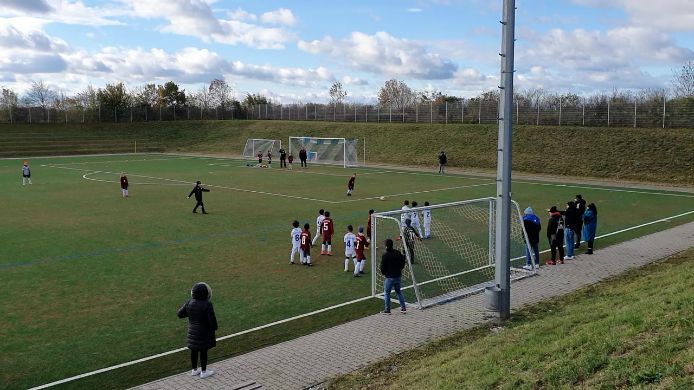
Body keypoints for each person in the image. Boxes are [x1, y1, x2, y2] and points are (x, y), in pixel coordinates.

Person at [177, 282, 218, 379]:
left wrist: (191, 313)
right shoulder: (207, 304)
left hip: (192, 332)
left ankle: (194, 370)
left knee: (194, 350)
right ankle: (204, 372)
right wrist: (214, 328)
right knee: (203, 351)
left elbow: (180, 314)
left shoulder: (189, 302)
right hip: (204, 332)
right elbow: (212, 320)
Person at [380, 238, 407, 314]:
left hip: (389, 277)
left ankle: (387, 310)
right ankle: (403, 308)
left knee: (387, 293)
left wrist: (385, 273)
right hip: (398, 276)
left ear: (386, 246)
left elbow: (382, 267)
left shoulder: (385, 255)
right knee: (398, 292)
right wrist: (399, 270)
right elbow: (403, 262)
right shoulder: (398, 253)